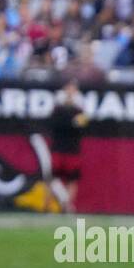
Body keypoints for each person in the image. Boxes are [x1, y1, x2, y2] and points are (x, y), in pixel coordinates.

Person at [48, 80, 88, 213]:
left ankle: (67, 206)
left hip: (72, 148)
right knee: (53, 179)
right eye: (68, 89)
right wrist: (72, 123)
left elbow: (82, 127)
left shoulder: (80, 110)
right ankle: (48, 206)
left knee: (72, 179)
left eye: (73, 89)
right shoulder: (57, 108)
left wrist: (73, 124)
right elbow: (55, 125)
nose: (70, 92)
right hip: (58, 147)